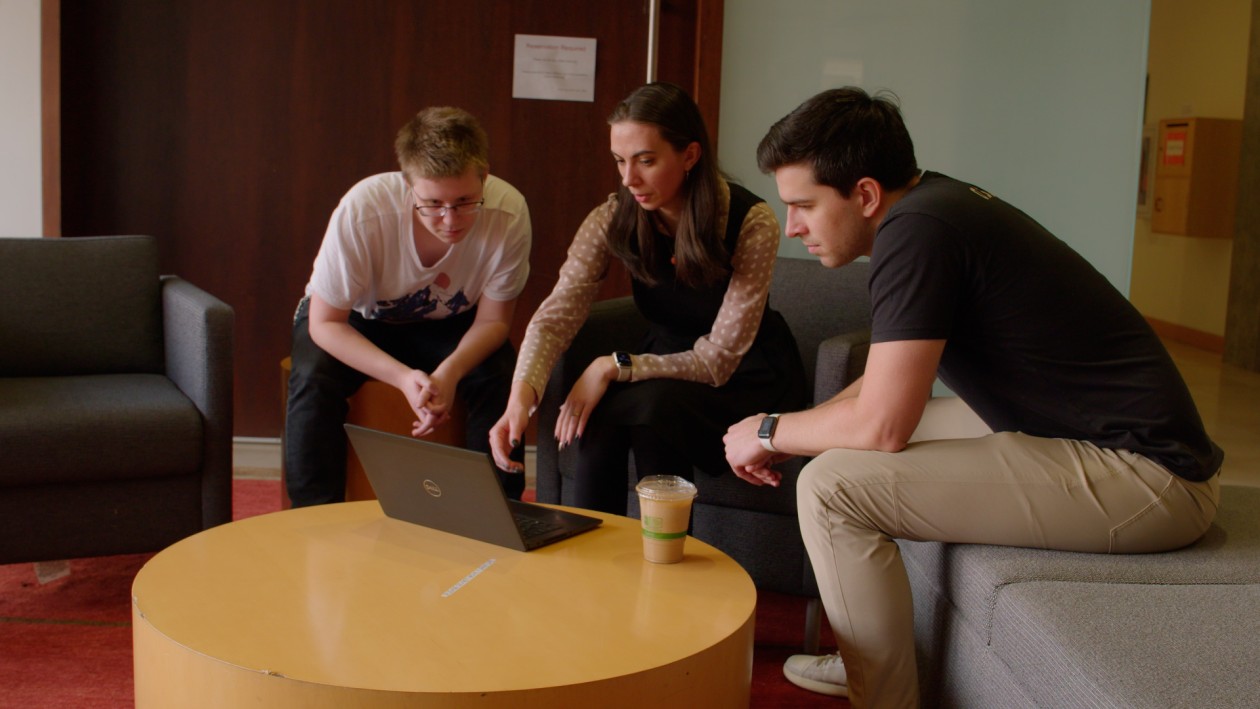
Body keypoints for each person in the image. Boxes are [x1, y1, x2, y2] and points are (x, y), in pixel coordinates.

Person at [723, 87, 1224, 708]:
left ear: (866, 195)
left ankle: (882, 693)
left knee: (832, 487)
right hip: (1081, 432)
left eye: (804, 205)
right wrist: (796, 428)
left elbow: (881, 425)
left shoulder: (917, 233)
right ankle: (869, 659)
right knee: (840, 448)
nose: (793, 226)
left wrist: (769, 430)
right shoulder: (931, 209)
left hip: (1150, 478)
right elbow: (883, 384)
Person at [489, 82, 807, 514]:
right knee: (602, 411)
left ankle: (664, 550)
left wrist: (611, 366)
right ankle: (588, 541)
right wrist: (520, 398)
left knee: (653, 411)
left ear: (690, 155)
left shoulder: (751, 221)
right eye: (620, 161)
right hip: (663, 362)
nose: (628, 179)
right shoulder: (612, 216)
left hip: (744, 375)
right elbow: (555, 316)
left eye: (646, 160)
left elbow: (718, 360)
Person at [286, 106, 531, 507]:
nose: (450, 220)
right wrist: (402, 378)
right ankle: (312, 515)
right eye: (432, 203)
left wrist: (450, 372)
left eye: (465, 201)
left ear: (484, 176)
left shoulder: (509, 212)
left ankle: (499, 510)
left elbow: (494, 321)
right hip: (357, 321)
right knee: (313, 375)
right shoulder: (364, 208)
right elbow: (325, 323)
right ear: (407, 184)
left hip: (452, 322)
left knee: (499, 371)